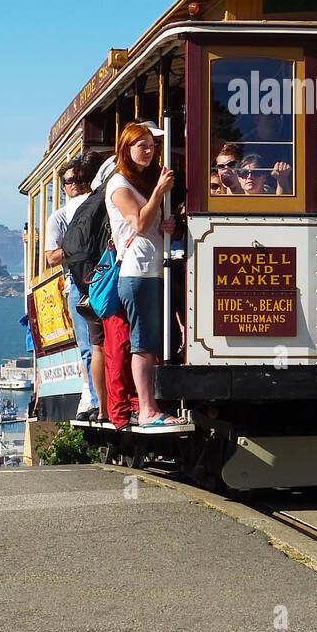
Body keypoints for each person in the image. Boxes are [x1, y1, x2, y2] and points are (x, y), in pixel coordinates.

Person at [105, 121, 186, 428]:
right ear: (127, 149)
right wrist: (158, 193)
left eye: (151, 146)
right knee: (143, 344)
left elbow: (151, 226)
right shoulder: (119, 185)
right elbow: (137, 223)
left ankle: (154, 406)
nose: (149, 152)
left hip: (153, 269)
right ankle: (148, 410)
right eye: (142, 146)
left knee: (154, 341)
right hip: (136, 272)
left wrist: (168, 227)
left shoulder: (142, 183)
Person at [45, 157, 106, 419]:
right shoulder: (59, 217)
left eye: (81, 180)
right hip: (76, 285)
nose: (77, 186)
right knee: (87, 346)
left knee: (105, 345)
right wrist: (78, 249)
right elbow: (51, 257)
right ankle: (93, 398)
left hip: (102, 280)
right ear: (63, 187)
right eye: (70, 181)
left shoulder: (96, 208)